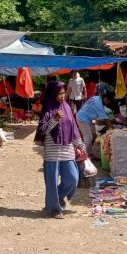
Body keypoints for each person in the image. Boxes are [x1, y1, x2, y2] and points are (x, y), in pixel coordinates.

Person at [35, 81, 82, 219]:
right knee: (52, 182)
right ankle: (55, 208)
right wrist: (54, 119)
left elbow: (73, 128)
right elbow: (43, 130)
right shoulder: (48, 108)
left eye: (63, 93)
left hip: (67, 148)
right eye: (59, 94)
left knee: (73, 178)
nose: (62, 96)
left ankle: (59, 197)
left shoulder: (66, 107)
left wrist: (80, 144)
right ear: (53, 94)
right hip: (52, 151)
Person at [76, 91, 115, 159]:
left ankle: (89, 154)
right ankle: (85, 156)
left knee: (91, 136)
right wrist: (114, 129)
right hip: (82, 119)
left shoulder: (96, 97)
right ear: (105, 98)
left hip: (84, 117)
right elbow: (107, 120)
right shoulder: (99, 106)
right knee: (88, 138)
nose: (108, 103)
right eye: (108, 101)